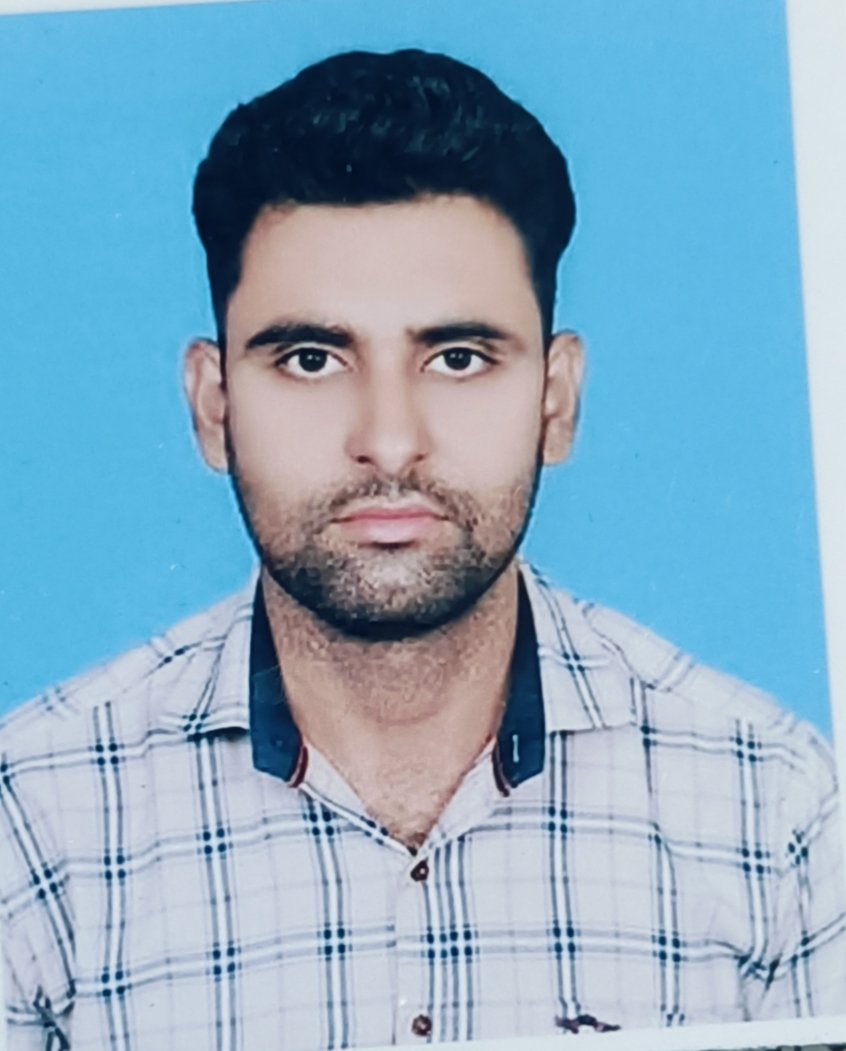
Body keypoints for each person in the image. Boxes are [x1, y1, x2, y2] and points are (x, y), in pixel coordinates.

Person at [0, 48, 843, 1051]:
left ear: (556, 400)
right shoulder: (30, 821)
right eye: (311, 358)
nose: (391, 440)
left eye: (458, 356)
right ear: (213, 405)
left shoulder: (773, 809)